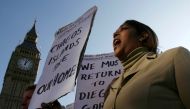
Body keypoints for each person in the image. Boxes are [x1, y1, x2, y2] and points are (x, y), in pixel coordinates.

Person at [103, 20, 190, 109]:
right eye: (114, 34)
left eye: (124, 28)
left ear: (143, 36)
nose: (115, 35)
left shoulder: (174, 57)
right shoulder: (112, 87)